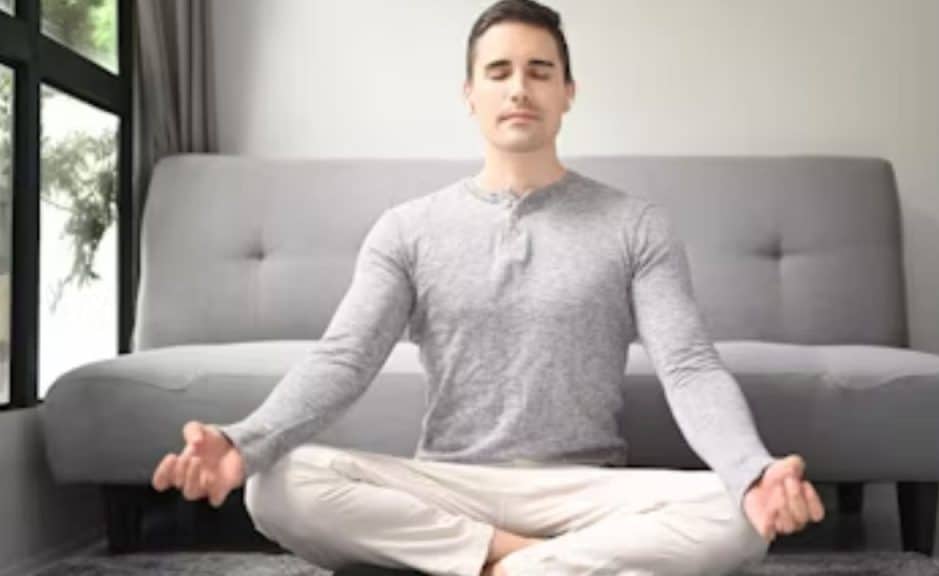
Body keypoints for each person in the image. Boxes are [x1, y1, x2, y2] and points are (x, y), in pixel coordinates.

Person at [151, 1, 825, 574]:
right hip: (449, 482)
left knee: (737, 516)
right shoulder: (407, 229)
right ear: (470, 95)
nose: (519, 89)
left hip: (585, 488)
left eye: (540, 71)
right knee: (277, 486)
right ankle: (526, 560)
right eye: (498, 72)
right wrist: (245, 441)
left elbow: (688, 365)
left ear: (568, 92)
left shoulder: (635, 225)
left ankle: (489, 565)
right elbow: (344, 359)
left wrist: (753, 469)